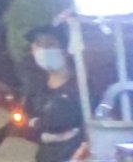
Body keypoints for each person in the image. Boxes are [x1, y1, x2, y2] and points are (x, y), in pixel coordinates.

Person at [19, 28, 84, 162]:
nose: (43, 51)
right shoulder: (36, 89)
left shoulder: (81, 87)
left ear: (65, 50)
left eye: (50, 45)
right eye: (38, 45)